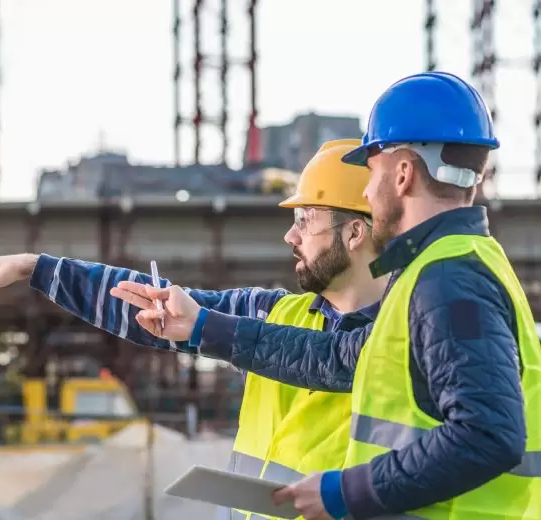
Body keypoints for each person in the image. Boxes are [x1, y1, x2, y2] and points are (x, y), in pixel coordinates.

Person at [115, 71, 541, 520]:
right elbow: (336, 356)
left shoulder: (449, 279)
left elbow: (488, 435)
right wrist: (204, 326)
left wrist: (345, 491)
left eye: (370, 171)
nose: (365, 191)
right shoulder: (442, 269)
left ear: (402, 174)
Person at [0, 139, 387, 520]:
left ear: (353, 232)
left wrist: (204, 326)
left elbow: (331, 358)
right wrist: (36, 268)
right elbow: (152, 306)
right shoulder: (273, 313)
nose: (290, 237)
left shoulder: (407, 335)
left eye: (304, 221)